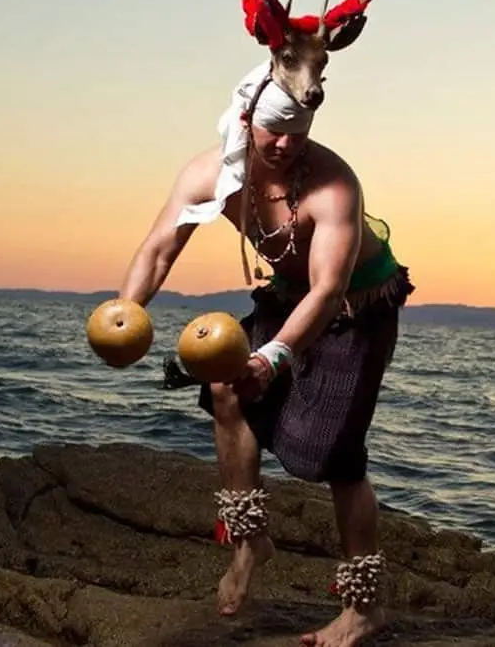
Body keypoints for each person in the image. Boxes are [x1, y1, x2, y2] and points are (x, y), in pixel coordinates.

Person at [117, 57, 412, 647]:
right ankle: (250, 539)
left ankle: (364, 609)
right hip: (285, 295)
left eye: (296, 133)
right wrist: (126, 310)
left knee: (337, 459)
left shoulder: (334, 183)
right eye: (272, 130)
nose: (283, 144)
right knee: (225, 386)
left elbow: (329, 290)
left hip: (356, 307)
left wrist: (272, 357)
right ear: (245, 119)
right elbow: (158, 250)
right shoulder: (209, 173)